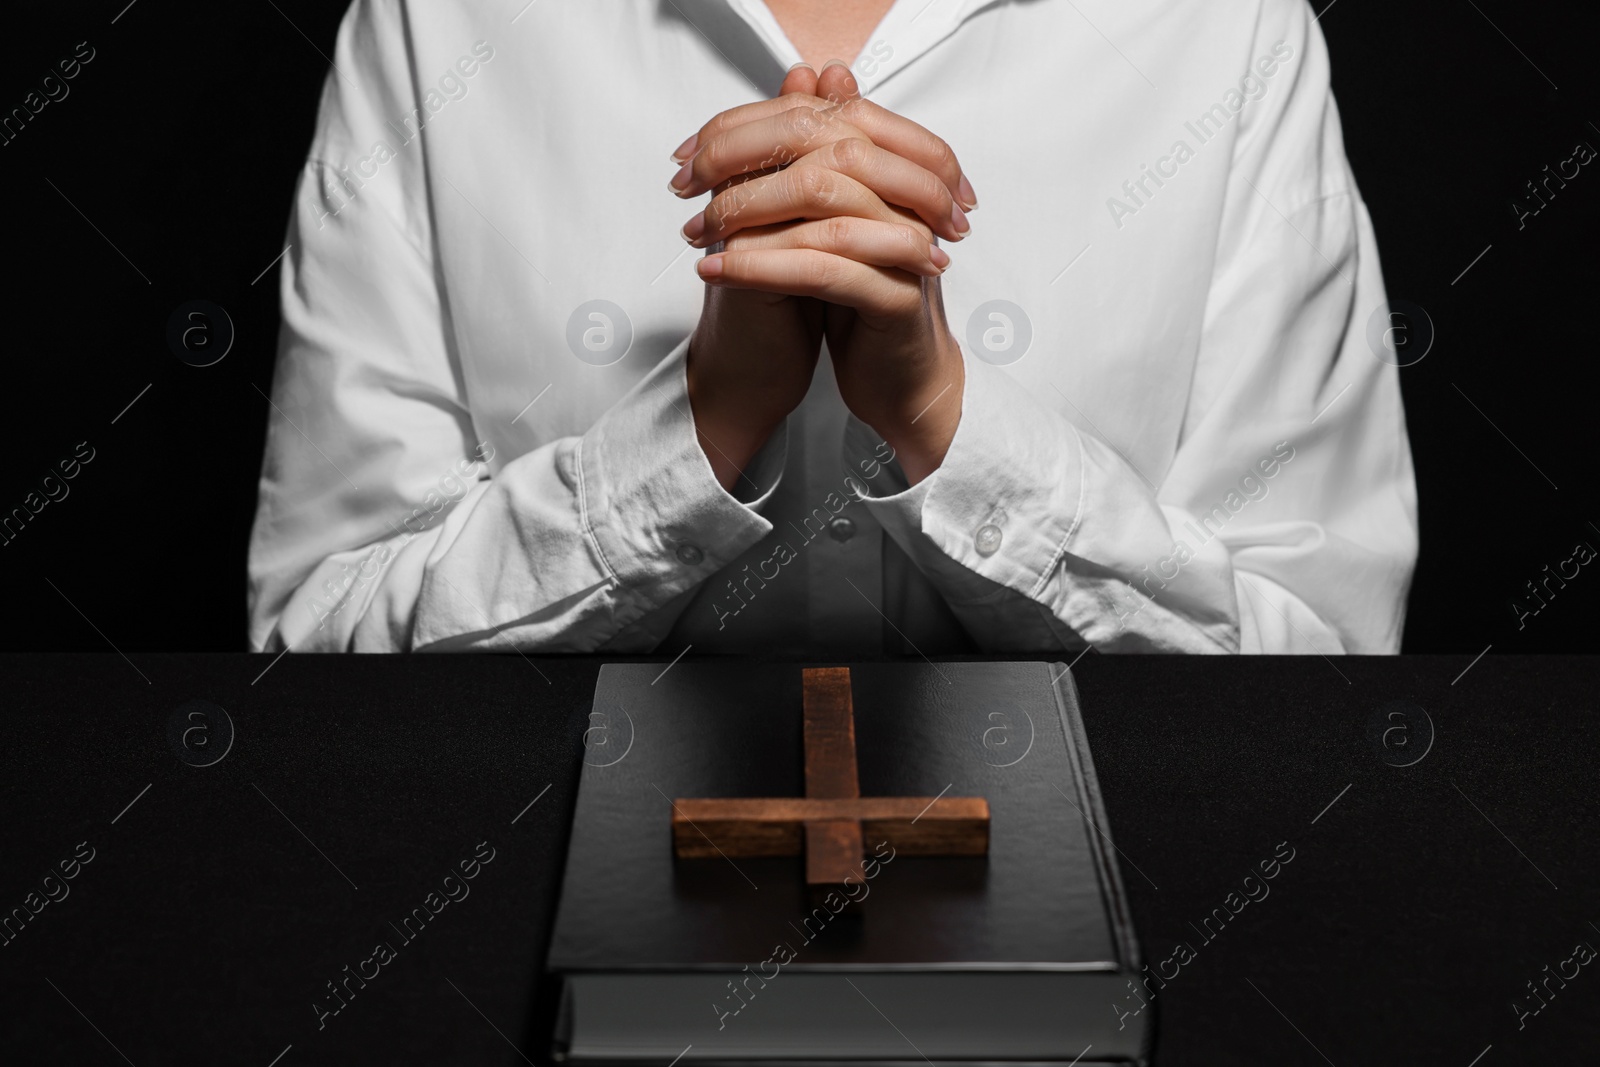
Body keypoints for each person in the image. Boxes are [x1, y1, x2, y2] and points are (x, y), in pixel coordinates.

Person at [248, 0, 1416, 656]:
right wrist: (694, 427)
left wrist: (946, 421)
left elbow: (1323, 675)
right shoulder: (437, 22)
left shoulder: (1224, 27)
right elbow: (313, 644)